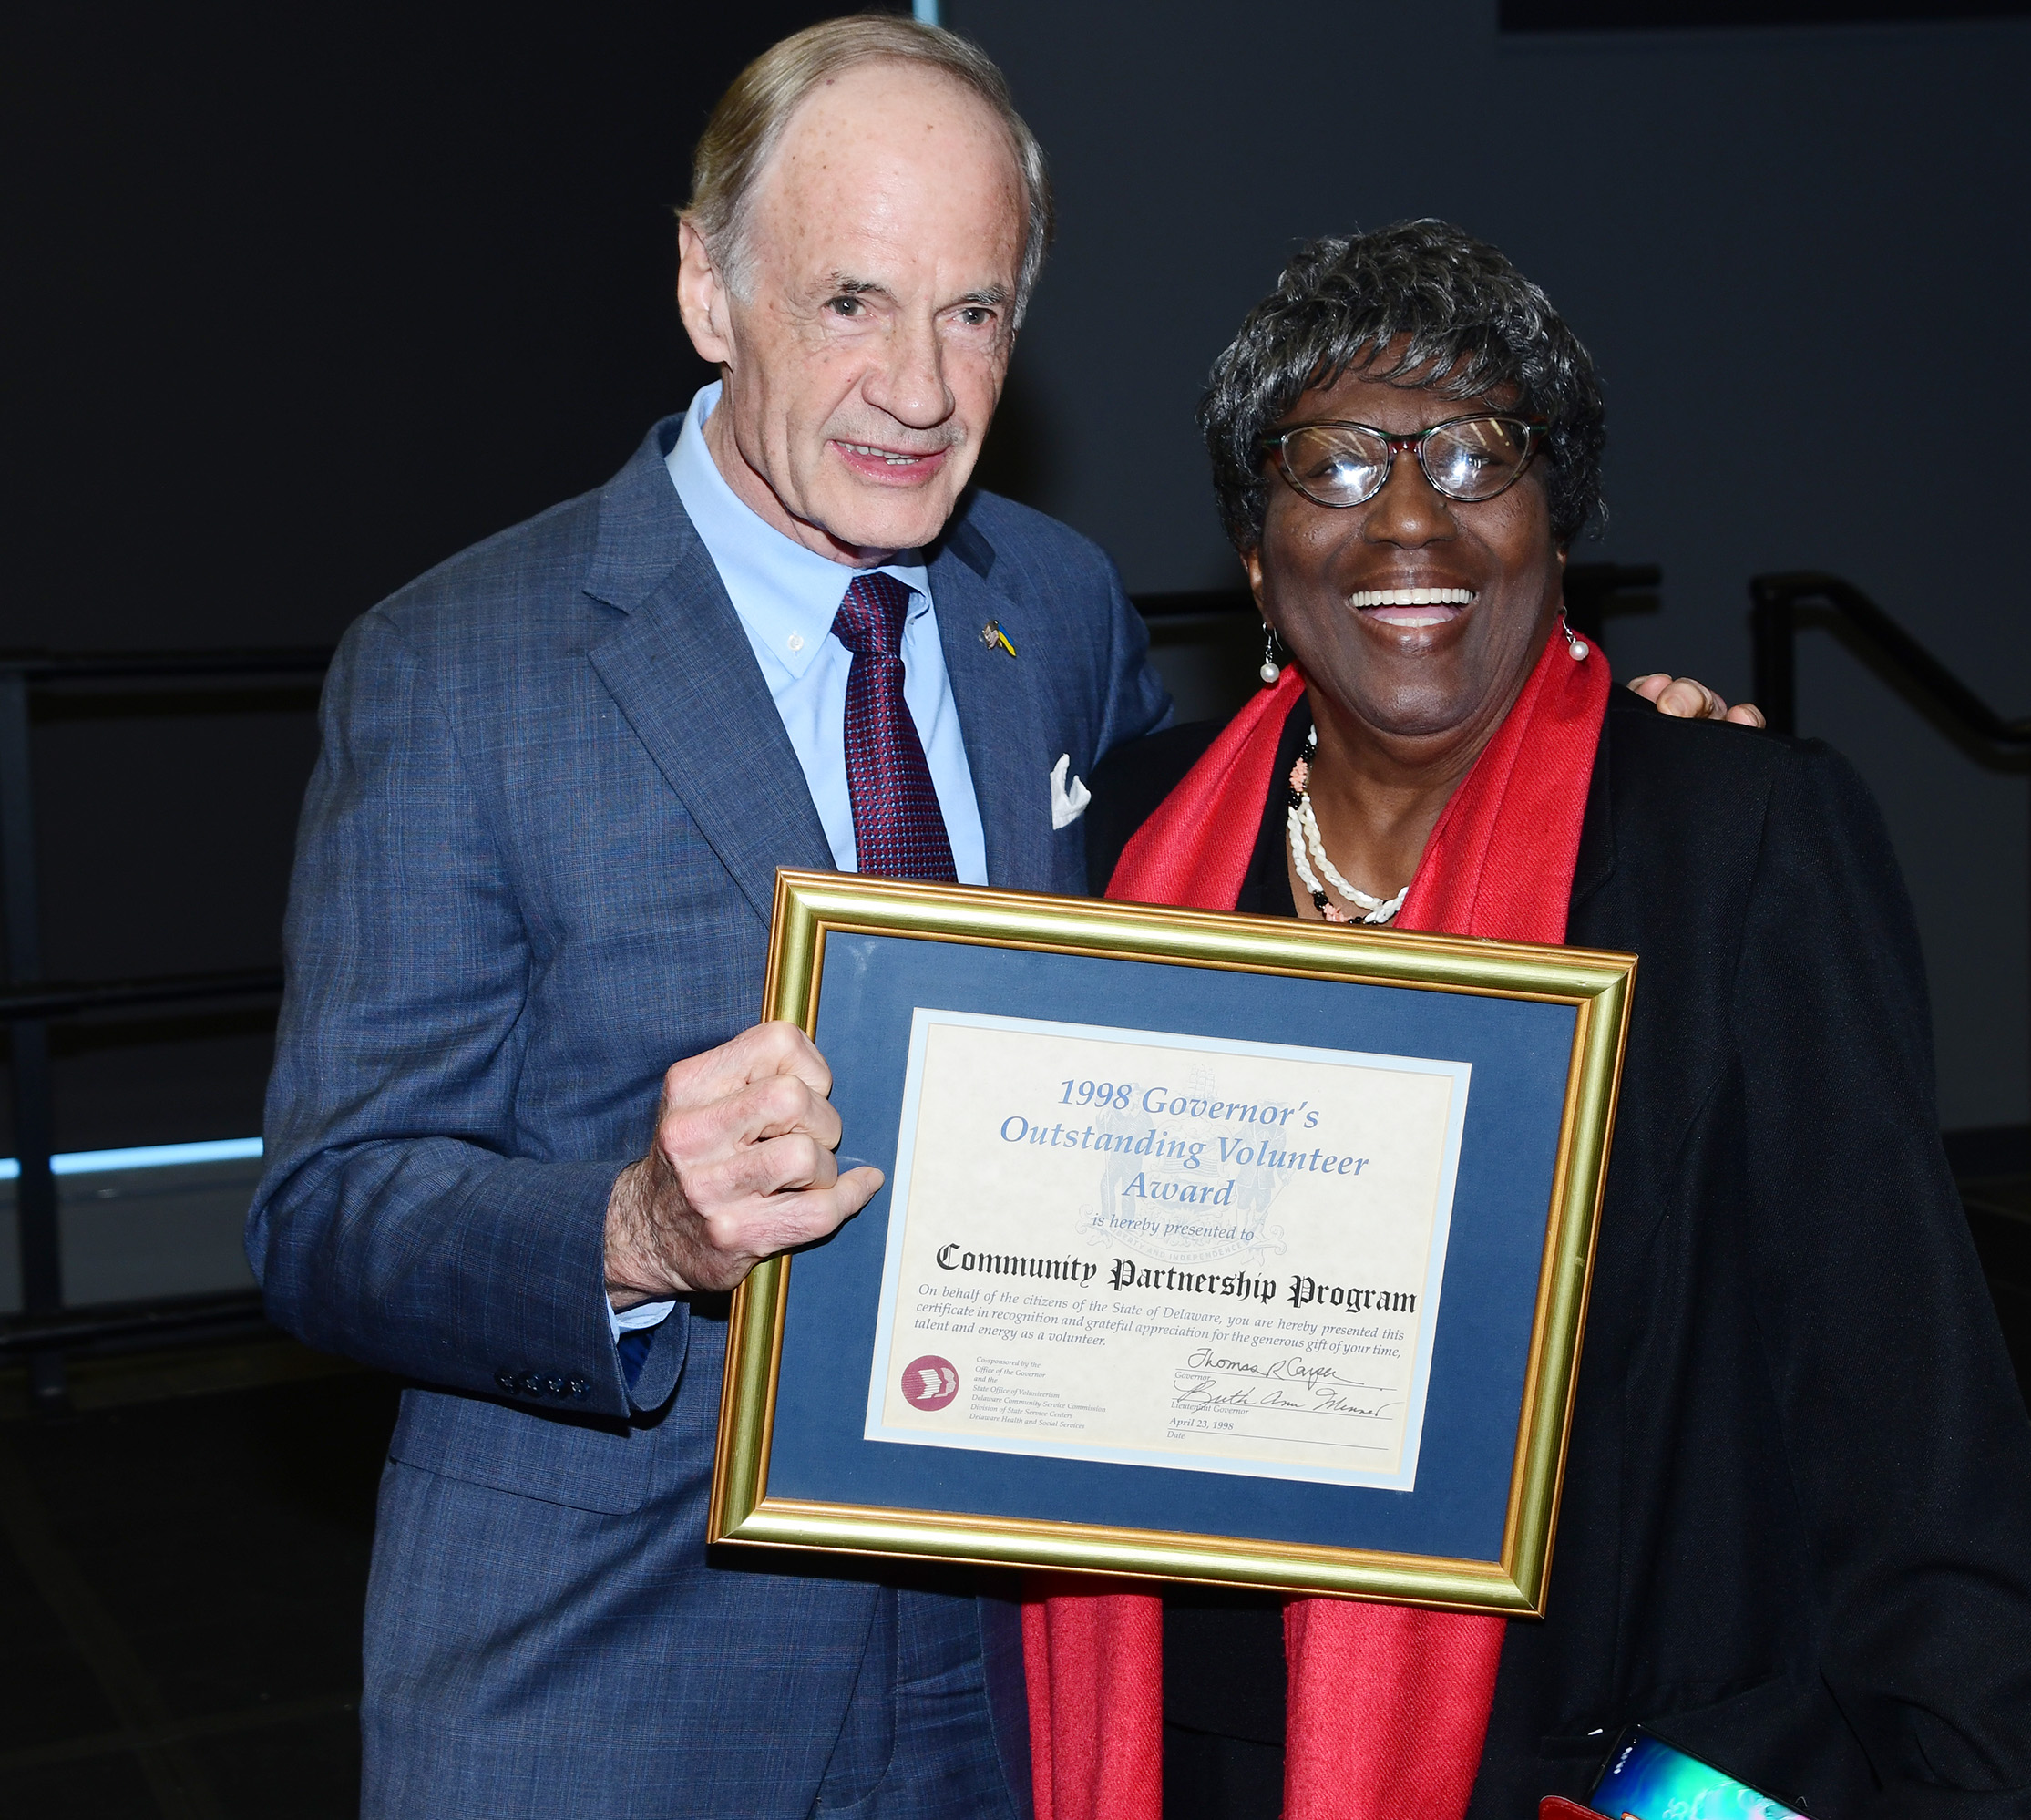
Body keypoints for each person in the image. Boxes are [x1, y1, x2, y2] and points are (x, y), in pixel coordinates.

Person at [248, 16, 1762, 1815]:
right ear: (704, 288)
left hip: (1015, 1692)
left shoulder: (1045, 606)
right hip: (614, 1692)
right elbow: (326, 1212)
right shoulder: (457, 669)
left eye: (974, 313)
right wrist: (638, 1229)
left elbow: (1259, 867)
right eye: (852, 304)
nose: (919, 385)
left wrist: (1586, 762)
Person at [1074, 220, 2031, 1820]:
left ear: (1557, 524)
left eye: (1478, 456)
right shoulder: (1125, 856)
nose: (1410, 520)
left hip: (1615, 1782)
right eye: (1337, 466)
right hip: (1196, 1766)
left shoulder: (1733, 844)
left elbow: (1914, 1430)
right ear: (1254, 544)